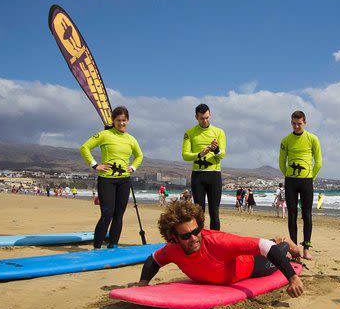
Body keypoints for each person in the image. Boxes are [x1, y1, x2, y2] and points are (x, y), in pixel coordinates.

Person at [136, 200, 304, 298]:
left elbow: (266, 248)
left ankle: (285, 243)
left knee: (277, 250)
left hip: (253, 265)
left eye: (196, 231)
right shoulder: (172, 249)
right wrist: (143, 284)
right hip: (236, 260)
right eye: (186, 236)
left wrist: (293, 278)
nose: (193, 238)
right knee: (266, 244)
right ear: (174, 237)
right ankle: (277, 239)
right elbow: (154, 259)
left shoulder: (219, 242)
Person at [80, 106, 144, 249]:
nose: (121, 123)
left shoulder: (131, 139)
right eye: (118, 120)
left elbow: (139, 155)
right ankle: (97, 246)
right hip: (106, 180)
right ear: (113, 121)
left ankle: (113, 244)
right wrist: (95, 165)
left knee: (119, 214)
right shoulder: (104, 135)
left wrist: (132, 167)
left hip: (124, 180)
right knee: (107, 213)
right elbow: (84, 147)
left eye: (124, 120)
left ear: (128, 120)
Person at [279, 110, 322, 260]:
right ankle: (293, 249)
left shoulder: (313, 139)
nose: (296, 126)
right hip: (290, 181)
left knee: (307, 215)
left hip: (306, 181)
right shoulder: (286, 140)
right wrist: (288, 175)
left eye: (299, 123)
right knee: (291, 215)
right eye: (293, 123)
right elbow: (281, 162)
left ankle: (306, 249)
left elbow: (319, 162)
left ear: (305, 122)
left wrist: (310, 177)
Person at [181, 103, 227, 230]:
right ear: (196, 117)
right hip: (198, 176)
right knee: (198, 213)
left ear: (210, 115)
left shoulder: (219, 132)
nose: (205, 121)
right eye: (202, 118)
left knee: (214, 212)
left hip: (214, 175)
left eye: (207, 117)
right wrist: (201, 153)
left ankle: (214, 243)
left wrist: (216, 149)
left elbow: (222, 155)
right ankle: (199, 241)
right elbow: (185, 155)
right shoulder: (190, 133)